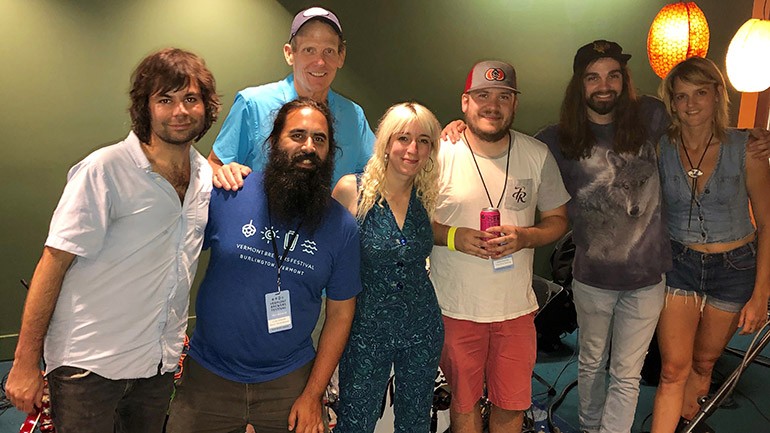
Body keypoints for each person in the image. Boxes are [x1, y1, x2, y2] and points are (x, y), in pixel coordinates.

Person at [6, 47, 219, 433]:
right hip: (89, 367)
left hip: (157, 364)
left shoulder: (206, 178)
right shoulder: (104, 171)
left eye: (191, 99)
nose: (180, 111)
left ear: (206, 107)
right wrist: (24, 362)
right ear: (145, 107)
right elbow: (53, 263)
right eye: (165, 100)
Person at [166, 98, 361, 433]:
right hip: (207, 376)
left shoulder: (342, 227)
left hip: (290, 382)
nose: (308, 147)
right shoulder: (230, 193)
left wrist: (313, 395)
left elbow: (341, 314)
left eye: (319, 139)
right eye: (297, 135)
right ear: (273, 142)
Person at [535, 40, 672, 433]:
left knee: (628, 375)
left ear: (623, 79)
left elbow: (700, 124)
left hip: (647, 280)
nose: (604, 85)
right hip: (592, 280)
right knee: (592, 365)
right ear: (579, 84)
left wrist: (746, 139)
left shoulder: (651, 115)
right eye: (593, 77)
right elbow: (508, 149)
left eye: (613, 75)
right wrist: (459, 129)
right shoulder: (555, 139)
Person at [431, 60, 570, 433]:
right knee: (464, 404)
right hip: (456, 308)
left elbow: (558, 219)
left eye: (503, 96)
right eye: (483, 96)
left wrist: (526, 237)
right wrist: (453, 237)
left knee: (511, 405)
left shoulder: (537, 154)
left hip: (515, 310)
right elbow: (412, 222)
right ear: (465, 102)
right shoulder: (440, 153)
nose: (492, 105)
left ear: (514, 104)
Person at [651, 56, 770, 433]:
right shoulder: (660, 148)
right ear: (671, 102)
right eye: (681, 96)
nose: (691, 104)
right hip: (679, 263)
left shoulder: (747, 148)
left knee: (703, 364)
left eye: (700, 92)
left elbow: (768, 223)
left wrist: (761, 295)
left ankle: (688, 423)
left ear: (717, 94)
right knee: (672, 368)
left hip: (734, 267)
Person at [332, 102, 444, 433]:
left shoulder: (427, 195)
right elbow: (326, 255)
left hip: (422, 325)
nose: (413, 149)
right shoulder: (351, 190)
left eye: (424, 141)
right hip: (366, 327)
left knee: (415, 420)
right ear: (386, 142)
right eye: (404, 139)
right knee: (356, 418)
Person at [210, 5, 374, 190]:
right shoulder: (253, 104)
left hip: (330, 218)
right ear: (289, 54)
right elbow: (214, 165)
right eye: (309, 50)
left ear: (341, 56)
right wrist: (225, 174)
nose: (320, 62)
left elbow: (375, 176)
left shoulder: (354, 116)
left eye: (328, 51)